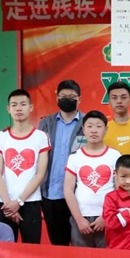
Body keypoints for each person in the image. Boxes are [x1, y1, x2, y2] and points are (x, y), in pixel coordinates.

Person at [0, 89, 51, 244]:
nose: (18, 108)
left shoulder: (41, 137)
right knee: (5, 250)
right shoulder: (2, 136)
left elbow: (40, 174)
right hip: (4, 203)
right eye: (14, 105)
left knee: (31, 250)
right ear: (8, 109)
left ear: (31, 107)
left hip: (30, 203)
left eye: (23, 104)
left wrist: (18, 202)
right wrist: (8, 204)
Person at [64, 111, 121, 248]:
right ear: (83, 130)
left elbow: (119, 190)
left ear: (106, 130)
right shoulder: (75, 157)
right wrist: (79, 219)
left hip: (107, 217)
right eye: (89, 126)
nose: (94, 130)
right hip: (80, 217)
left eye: (98, 126)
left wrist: (106, 217)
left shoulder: (115, 156)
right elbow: (68, 190)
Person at [39, 79, 85, 246]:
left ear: (79, 99)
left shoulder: (88, 123)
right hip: (51, 192)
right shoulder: (46, 123)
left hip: (80, 194)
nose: (67, 100)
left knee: (81, 243)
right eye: (63, 96)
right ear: (57, 98)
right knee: (58, 244)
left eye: (71, 97)